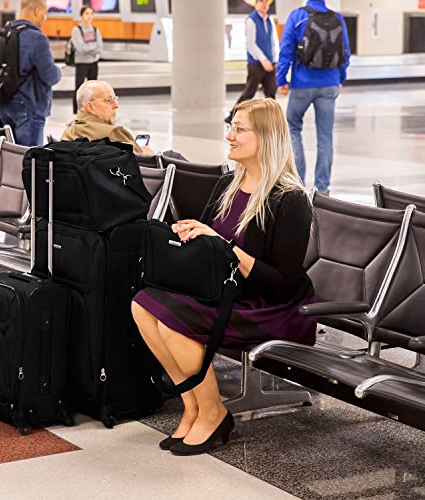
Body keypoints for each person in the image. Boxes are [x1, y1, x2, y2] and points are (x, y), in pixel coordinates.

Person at [131, 98, 317, 456]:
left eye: (239, 129)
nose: (230, 136)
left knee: (173, 319)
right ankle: (194, 407)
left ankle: (214, 412)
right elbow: (208, 244)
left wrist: (223, 245)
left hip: (270, 306)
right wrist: (190, 233)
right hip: (226, 291)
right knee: (142, 304)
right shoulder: (228, 184)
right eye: (230, 127)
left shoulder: (290, 200)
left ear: (266, 137)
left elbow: (283, 283)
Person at [276, 0, 351, 195]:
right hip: (329, 84)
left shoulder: (297, 16)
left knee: (292, 128)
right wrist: (340, 78)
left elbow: (286, 50)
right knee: (325, 137)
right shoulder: (337, 18)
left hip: (302, 83)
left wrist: (281, 79)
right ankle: (322, 189)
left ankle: (298, 184)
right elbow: (345, 53)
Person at [0, 0, 61, 146]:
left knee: (10, 153)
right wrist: (58, 71)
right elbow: (50, 76)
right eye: (45, 14)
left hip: (4, 104)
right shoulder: (37, 38)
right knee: (30, 156)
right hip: (29, 107)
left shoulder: (5, 33)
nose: (45, 18)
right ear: (37, 12)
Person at [62, 80, 154, 154]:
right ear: (90, 106)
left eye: (115, 99)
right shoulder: (113, 133)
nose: (116, 105)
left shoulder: (68, 133)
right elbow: (141, 162)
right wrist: (145, 153)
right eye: (109, 100)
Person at [225, 0, 279, 123]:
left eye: (266, 2)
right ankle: (233, 115)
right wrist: (263, 59)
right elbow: (251, 44)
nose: (264, 4)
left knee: (271, 91)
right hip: (256, 64)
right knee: (249, 92)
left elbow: (273, 42)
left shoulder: (269, 20)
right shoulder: (251, 20)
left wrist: (274, 60)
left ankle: (273, 119)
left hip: (269, 63)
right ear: (256, 4)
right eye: (261, 2)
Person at [71, 6, 103, 114]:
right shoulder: (77, 30)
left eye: (91, 13)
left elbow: (100, 47)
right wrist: (93, 46)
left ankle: (92, 112)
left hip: (93, 63)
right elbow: (81, 48)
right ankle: (75, 113)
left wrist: (88, 47)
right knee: (79, 88)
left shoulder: (95, 30)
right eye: (87, 13)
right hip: (81, 63)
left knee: (93, 90)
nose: (89, 16)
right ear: (81, 15)